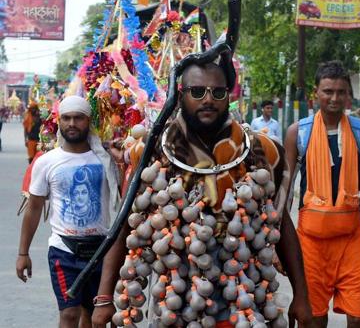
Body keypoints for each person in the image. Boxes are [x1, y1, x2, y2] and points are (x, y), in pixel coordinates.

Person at [91, 62, 313, 327]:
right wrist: (104, 298)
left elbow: (281, 222)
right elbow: (123, 227)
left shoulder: (261, 151)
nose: (208, 99)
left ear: (228, 96)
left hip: (242, 299)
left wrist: (302, 294)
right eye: (197, 91)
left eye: (218, 92)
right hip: (173, 301)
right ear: (180, 93)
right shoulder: (151, 151)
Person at [284, 60, 360, 328]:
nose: (334, 98)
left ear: (349, 96)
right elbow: (284, 191)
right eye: (328, 91)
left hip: (351, 241)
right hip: (310, 242)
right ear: (315, 93)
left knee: (358, 317)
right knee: (314, 318)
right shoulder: (298, 133)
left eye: (341, 92)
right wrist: (277, 242)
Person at [16, 95, 120, 328]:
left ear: (88, 121)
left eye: (78, 118)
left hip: (101, 249)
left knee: (95, 317)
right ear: (59, 121)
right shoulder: (46, 161)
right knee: (69, 314)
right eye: (67, 118)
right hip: (64, 252)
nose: (72, 123)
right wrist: (23, 253)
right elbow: (34, 208)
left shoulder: (106, 160)